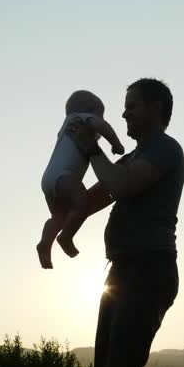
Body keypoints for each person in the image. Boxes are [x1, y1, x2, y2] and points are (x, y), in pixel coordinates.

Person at [67, 77, 184, 367]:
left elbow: (122, 185)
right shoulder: (133, 157)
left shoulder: (165, 150)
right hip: (121, 273)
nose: (123, 114)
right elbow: (95, 196)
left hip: (149, 270)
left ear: (155, 108)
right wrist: (62, 225)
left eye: (131, 106)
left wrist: (94, 148)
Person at [38, 89, 126, 269]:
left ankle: (45, 243)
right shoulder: (81, 118)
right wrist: (116, 144)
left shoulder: (66, 126)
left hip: (49, 178)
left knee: (58, 216)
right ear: (90, 110)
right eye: (101, 114)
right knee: (82, 205)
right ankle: (66, 236)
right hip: (65, 176)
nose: (101, 118)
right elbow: (103, 126)